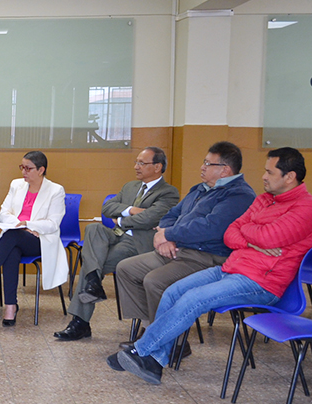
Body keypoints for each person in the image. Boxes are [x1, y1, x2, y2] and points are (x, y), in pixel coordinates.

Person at [113, 148, 312, 384]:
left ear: (289, 177)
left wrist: (248, 234)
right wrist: (252, 240)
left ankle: (141, 351)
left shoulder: (304, 208)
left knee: (193, 298)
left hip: (261, 282)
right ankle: (154, 362)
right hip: (232, 268)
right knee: (173, 291)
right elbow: (230, 233)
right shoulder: (264, 200)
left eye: (269, 172)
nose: (264, 177)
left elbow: (268, 237)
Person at [115, 142, 255, 358]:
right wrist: (167, 235)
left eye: (208, 163)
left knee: (155, 281)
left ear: (225, 169)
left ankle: (174, 342)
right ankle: (152, 331)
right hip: (179, 249)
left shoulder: (239, 195)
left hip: (208, 257)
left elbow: (211, 228)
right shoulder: (200, 189)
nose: (202, 167)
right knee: (126, 268)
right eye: (204, 162)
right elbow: (172, 214)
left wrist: (169, 235)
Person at [54, 147, 180, 341]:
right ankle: (93, 284)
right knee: (93, 229)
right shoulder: (130, 186)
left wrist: (121, 219)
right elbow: (107, 208)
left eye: (141, 163)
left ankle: (80, 322)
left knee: (91, 266)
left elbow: (151, 218)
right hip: (114, 235)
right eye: (136, 162)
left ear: (157, 167)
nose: (136, 166)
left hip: (135, 243)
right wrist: (132, 210)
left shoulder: (168, 192)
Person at [0, 151, 68, 326]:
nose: (24, 172)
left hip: (40, 240)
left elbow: (53, 224)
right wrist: (22, 226)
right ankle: (10, 307)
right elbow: (3, 213)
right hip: (16, 237)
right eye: (22, 167)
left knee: (12, 235)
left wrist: (28, 225)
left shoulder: (55, 190)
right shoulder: (16, 185)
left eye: (28, 168)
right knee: (12, 251)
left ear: (41, 170)